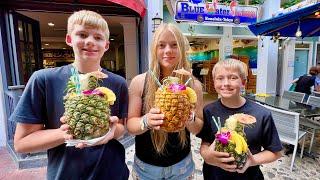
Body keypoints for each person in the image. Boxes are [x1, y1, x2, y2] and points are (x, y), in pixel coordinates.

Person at [11, 10, 129, 179]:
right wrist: (66, 133)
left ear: (106, 45)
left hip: (113, 173)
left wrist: (112, 131)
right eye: (82, 34)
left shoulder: (118, 83)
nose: (90, 41)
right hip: (65, 174)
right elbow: (21, 143)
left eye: (98, 37)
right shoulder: (43, 79)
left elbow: (122, 127)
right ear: (69, 39)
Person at [127, 23, 204, 179]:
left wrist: (190, 118)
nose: (168, 50)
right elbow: (130, 125)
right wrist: (146, 121)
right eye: (161, 45)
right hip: (146, 168)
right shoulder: (139, 82)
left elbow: (198, 128)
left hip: (182, 166)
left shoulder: (193, 84)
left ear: (182, 48)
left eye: (174, 45)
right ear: (154, 49)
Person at [198, 59, 282, 180]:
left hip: (249, 176)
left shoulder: (262, 114)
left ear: (243, 82)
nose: (226, 83)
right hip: (214, 175)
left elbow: (275, 152)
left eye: (233, 78)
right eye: (220, 78)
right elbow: (205, 143)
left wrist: (252, 161)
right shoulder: (208, 111)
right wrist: (207, 156)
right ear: (214, 81)